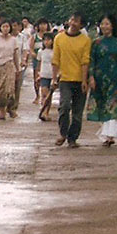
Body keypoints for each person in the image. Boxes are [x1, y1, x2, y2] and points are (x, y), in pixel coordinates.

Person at [87, 14, 117, 146]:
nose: (104, 26)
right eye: (102, 24)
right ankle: (108, 133)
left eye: (107, 24)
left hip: (114, 79)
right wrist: (90, 77)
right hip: (98, 79)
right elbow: (91, 61)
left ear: (112, 26)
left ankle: (109, 136)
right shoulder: (96, 43)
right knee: (102, 105)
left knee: (112, 105)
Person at [51, 11, 91, 148]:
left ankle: (72, 138)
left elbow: (85, 61)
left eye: (77, 21)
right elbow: (55, 60)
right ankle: (63, 133)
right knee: (64, 106)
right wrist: (53, 78)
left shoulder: (85, 40)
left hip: (80, 80)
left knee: (78, 113)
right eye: (72, 20)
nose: (73, 23)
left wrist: (84, 80)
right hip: (65, 79)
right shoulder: (59, 38)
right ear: (68, 21)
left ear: (81, 25)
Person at [0, 19, 19, 120]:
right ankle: (2, 111)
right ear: (0, 28)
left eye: (7, 27)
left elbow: (15, 55)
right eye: (3, 27)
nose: (5, 29)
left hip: (9, 65)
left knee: (10, 89)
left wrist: (17, 68)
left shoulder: (13, 40)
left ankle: (10, 108)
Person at [10, 19, 28, 118]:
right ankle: (6, 106)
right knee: (8, 87)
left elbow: (25, 49)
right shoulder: (6, 38)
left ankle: (13, 108)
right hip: (7, 65)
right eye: (13, 25)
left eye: (16, 25)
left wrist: (24, 60)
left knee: (17, 87)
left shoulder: (23, 37)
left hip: (19, 66)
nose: (14, 27)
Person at [29, 18, 50, 104]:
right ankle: (37, 95)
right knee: (36, 77)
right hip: (37, 59)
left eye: (44, 24)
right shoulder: (34, 36)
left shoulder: (50, 36)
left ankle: (47, 96)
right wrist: (33, 53)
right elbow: (30, 48)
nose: (43, 26)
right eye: (41, 24)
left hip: (47, 60)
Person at [36, 32, 55, 121]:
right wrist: (38, 74)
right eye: (45, 40)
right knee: (44, 93)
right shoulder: (41, 51)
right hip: (43, 74)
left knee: (49, 95)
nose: (46, 42)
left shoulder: (55, 51)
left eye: (48, 40)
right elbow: (39, 63)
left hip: (52, 75)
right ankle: (43, 110)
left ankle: (46, 112)